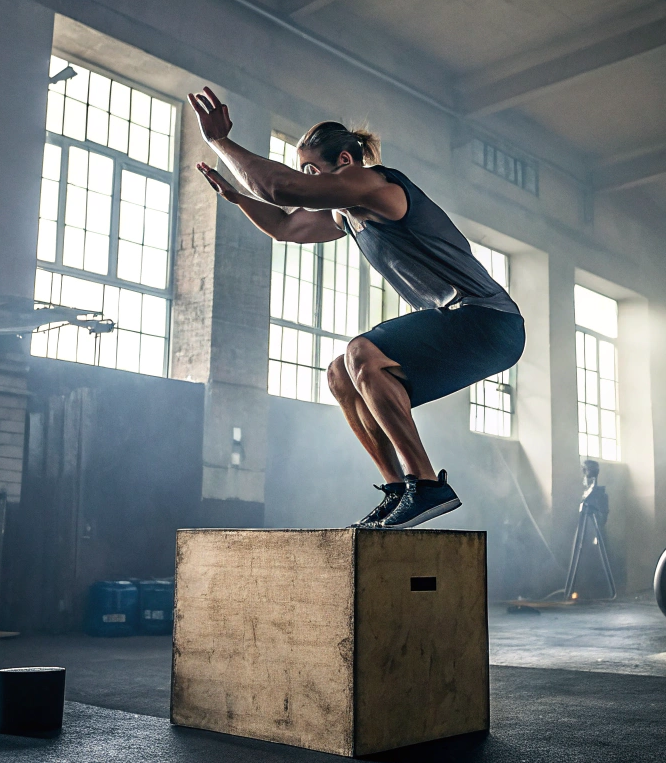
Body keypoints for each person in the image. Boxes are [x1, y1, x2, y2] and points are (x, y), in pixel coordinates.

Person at [188, 87, 525, 529]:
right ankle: (399, 490)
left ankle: (427, 484)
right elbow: (286, 226)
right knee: (340, 374)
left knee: (362, 353)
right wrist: (238, 198)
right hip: (462, 323)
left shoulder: (375, 186)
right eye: (303, 171)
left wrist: (220, 142)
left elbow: (280, 188)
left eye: (312, 170)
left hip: (488, 319)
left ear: (345, 161)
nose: (307, 179)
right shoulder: (345, 213)